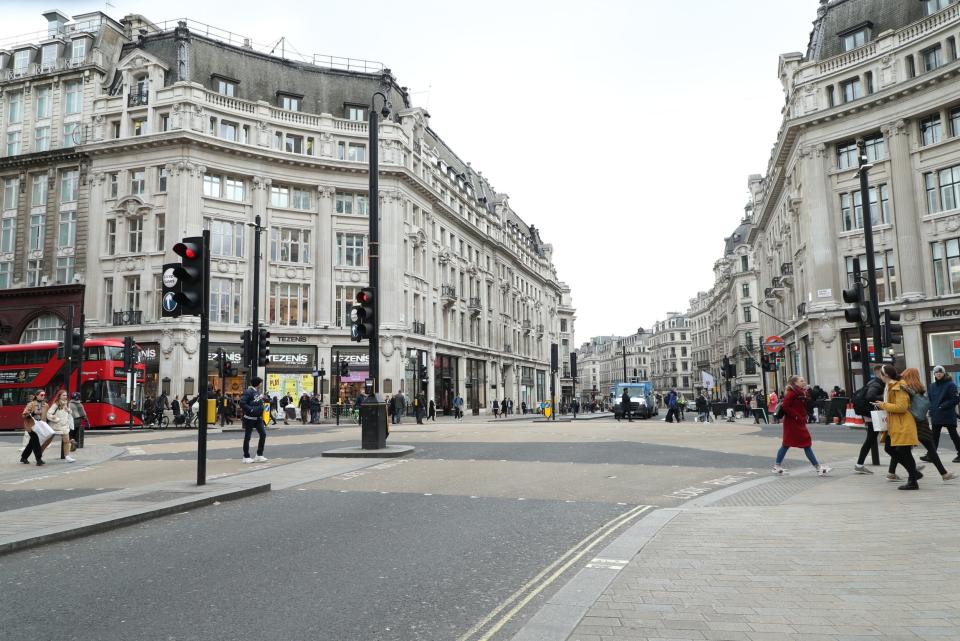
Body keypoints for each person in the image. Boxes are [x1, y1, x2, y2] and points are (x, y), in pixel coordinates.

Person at [893, 367, 956, 482]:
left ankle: (898, 472)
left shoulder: (905, 388)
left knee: (902, 448)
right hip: (922, 421)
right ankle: (943, 473)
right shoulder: (920, 387)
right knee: (929, 448)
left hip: (911, 422)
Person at [874, 364, 922, 490]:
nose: (880, 376)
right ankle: (914, 474)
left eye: (881, 374)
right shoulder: (890, 386)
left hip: (903, 424)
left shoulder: (898, 387)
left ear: (886, 375)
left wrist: (883, 405)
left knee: (904, 452)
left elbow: (901, 407)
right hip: (895, 424)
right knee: (889, 448)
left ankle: (913, 481)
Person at [772, 375, 830, 476]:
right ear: (795, 383)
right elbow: (785, 406)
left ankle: (777, 466)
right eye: (801, 381)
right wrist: (797, 416)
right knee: (805, 443)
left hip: (796, 421)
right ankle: (818, 468)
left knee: (786, 444)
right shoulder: (792, 393)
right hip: (793, 422)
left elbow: (805, 404)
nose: (804, 382)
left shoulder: (800, 392)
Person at [854, 365, 886, 474]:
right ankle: (909, 466)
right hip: (873, 415)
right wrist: (885, 397)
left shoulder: (872, 383)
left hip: (871, 414)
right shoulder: (876, 384)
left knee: (871, 439)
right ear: (879, 373)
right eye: (884, 373)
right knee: (873, 439)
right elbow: (870, 396)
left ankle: (859, 464)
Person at [926, 365, 960, 464]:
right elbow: (930, 400)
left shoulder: (950, 384)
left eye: (940, 372)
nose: (938, 374)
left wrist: (943, 406)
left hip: (947, 414)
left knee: (953, 435)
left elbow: (956, 399)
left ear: (944, 373)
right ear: (934, 374)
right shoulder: (932, 386)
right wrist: (931, 409)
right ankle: (931, 455)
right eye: (936, 372)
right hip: (936, 414)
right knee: (934, 436)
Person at [239, 377, 268, 464]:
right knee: (247, 437)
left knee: (263, 434)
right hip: (249, 418)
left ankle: (259, 455)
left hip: (258, 418)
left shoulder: (256, 392)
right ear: (258, 383)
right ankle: (246, 456)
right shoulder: (248, 392)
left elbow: (256, 401)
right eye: (261, 383)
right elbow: (242, 403)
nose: (261, 384)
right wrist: (251, 410)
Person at [20, 389, 51, 466]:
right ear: (36, 396)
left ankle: (24, 457)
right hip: (31, 426)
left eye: (44, 395)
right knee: (36, 442)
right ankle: (39, 459)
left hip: (40, 426)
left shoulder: (46, 405)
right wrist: (33, 413)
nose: (43, 396)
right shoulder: (31, 404)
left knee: (32, 442)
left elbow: (46, 416)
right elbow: (24, 415)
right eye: (41, 395)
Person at [45, 389, 76, 462]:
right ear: (59, 396)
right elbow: (49, 414)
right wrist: (56, 419)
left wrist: (68, 410)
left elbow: (69, 413)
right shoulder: (56, 404)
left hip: (64, 426)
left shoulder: (67, 403)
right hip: (55, 426)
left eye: (66, 395)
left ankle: (67, 457)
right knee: (47, 442)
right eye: (63, 395)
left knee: (66, 441)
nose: (65, 397)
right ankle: (39, 455)